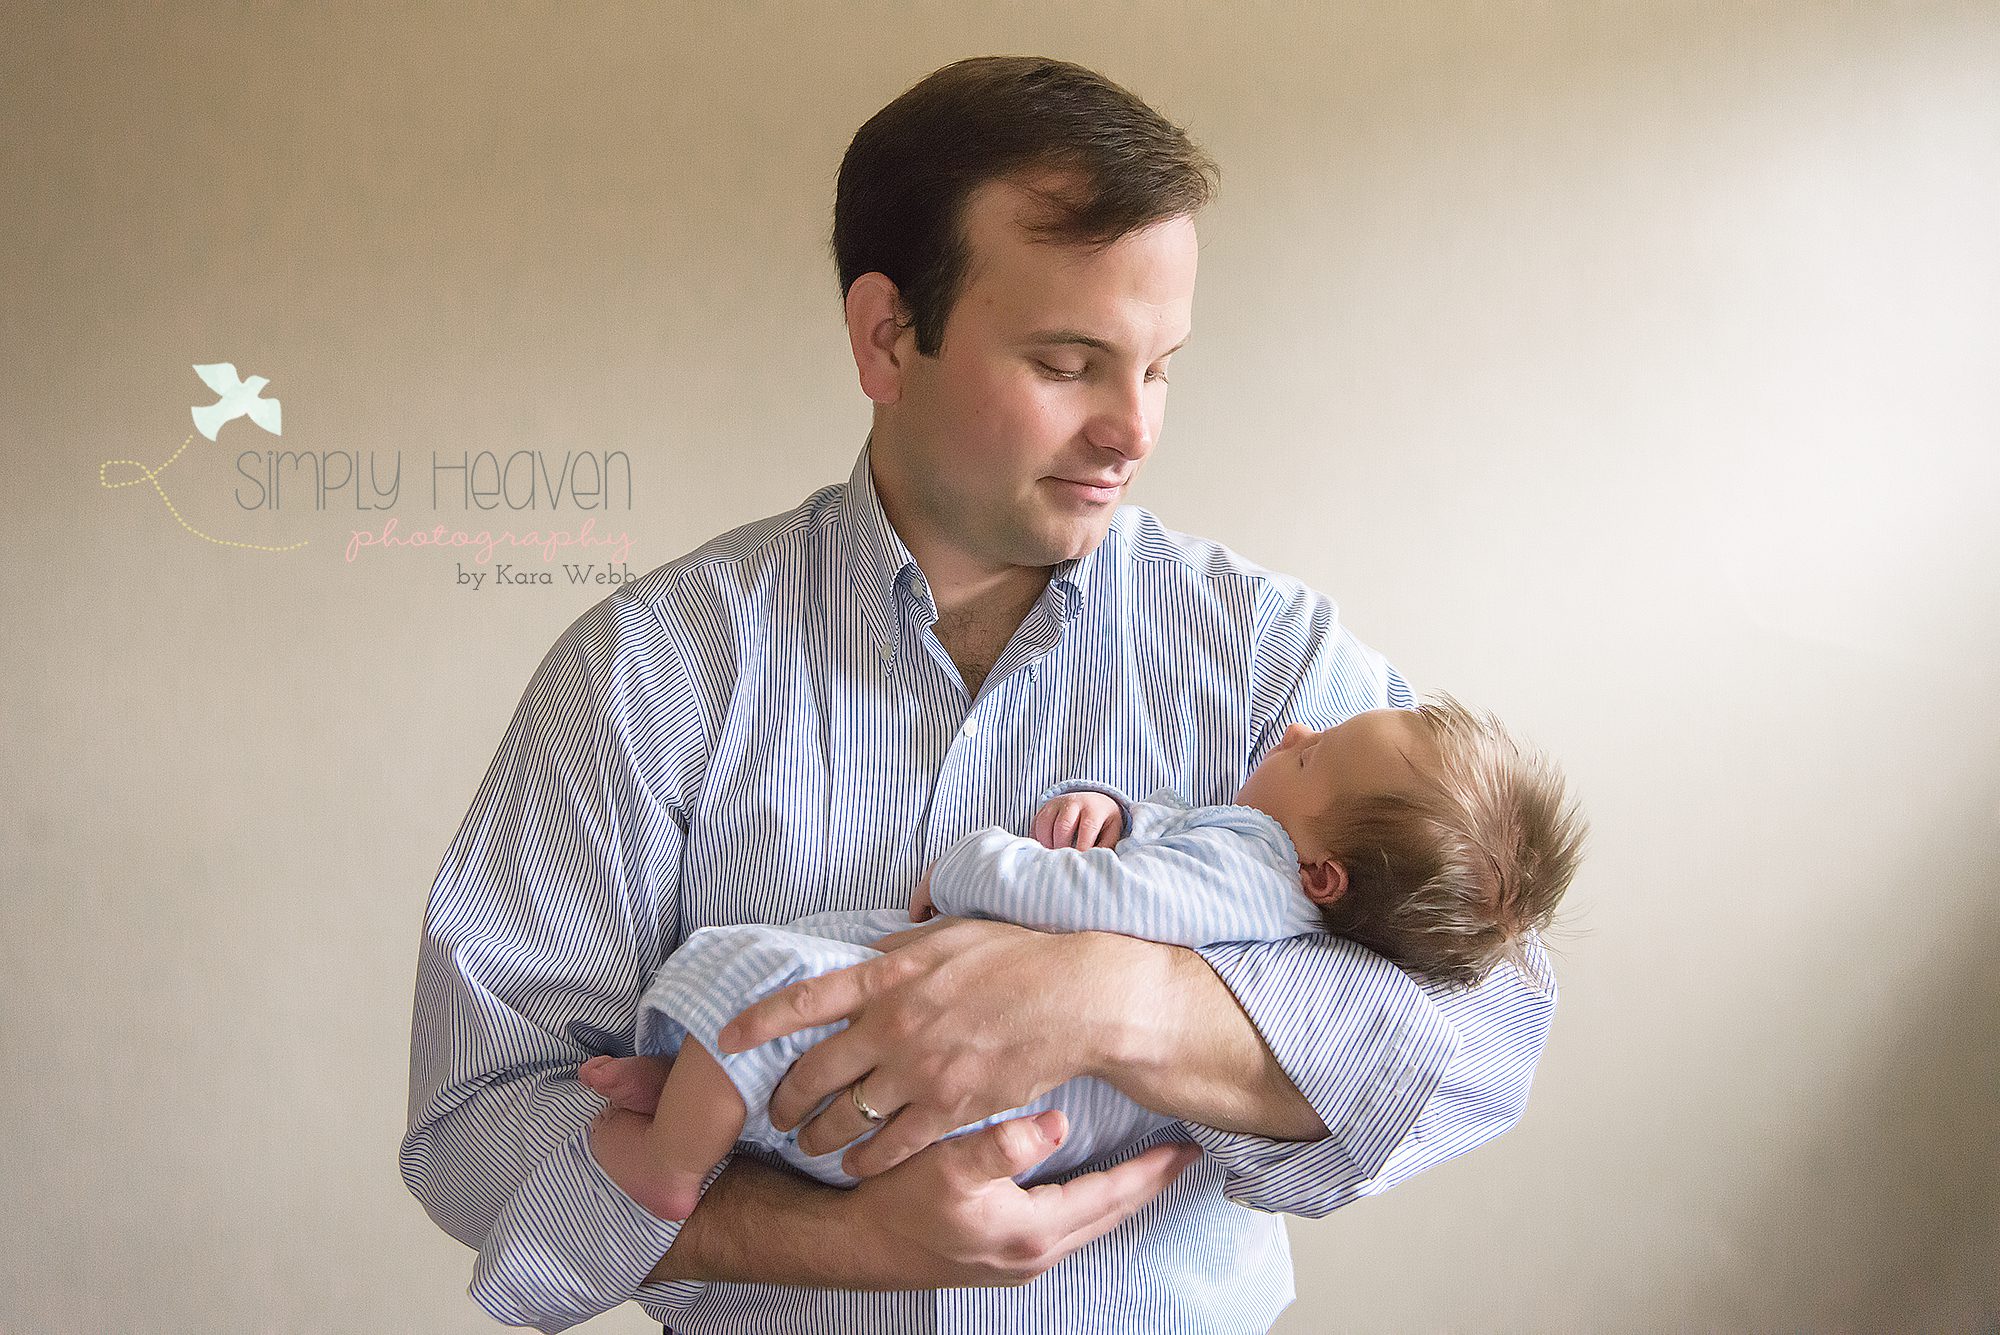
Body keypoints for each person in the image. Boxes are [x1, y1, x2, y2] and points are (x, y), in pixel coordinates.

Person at [403, 55, 1562, 1335]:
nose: (1134, 430)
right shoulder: (647, 672)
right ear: (886, 334)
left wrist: (1112, 999)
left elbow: (1481, 1036)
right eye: (1068, 363)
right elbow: (474, 1125)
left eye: (1160, 366)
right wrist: (832, 1243)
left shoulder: (1271, 659)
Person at [579, 698, 1583, 1239]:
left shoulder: (1260, 857)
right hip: (963, 1135)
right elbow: (1173, 873)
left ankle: (673, 1166)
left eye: (1314, 758)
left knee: (770, 985)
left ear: (1321, 874)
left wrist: (982, 866)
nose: (1295, 729)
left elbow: (1113, 900)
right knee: (810, 1008)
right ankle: (689, 1096)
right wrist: (1120, 816)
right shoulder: (1305, 870)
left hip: (976, 1093)